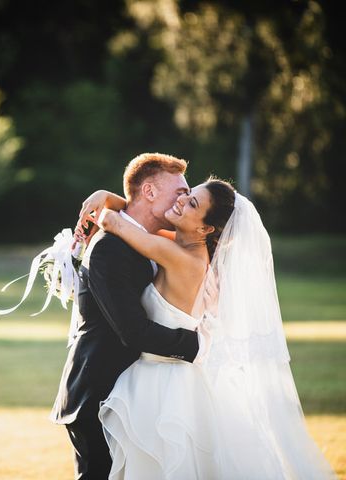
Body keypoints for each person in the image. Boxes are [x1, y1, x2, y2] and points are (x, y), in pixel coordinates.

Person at [77, 178, 336, 479]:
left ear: (205, 229)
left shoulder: (177, 256)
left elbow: (116, 223)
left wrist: (104, 197)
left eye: (192, 203)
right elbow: (141, 223)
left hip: (163, 383)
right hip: (176, 374)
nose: (182, 201)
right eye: (187, 194)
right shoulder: (186, 250)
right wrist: (112, 199)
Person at [49, 153, 208, 479]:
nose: (184, 200)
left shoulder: (148, 241)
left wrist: (111, 200)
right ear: (149, 192)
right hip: (98, 396)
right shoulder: (110, 249)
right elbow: (133, 331)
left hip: (134, 394)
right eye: (180, 192)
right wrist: (202, 346)